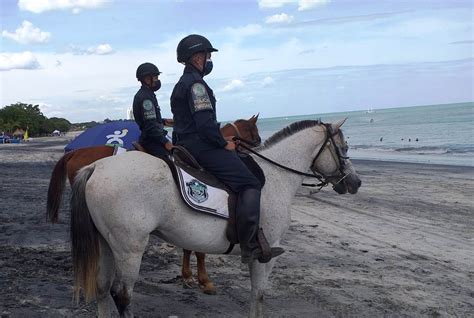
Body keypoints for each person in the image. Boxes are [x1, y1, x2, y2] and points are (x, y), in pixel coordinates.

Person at [170, 34, 284, 264]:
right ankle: (250, 244)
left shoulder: (182, 84)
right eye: (207, 55)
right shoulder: (197, 86)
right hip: (200, 146)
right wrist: (224, 143)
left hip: (185, 143)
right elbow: (204, 124)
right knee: (250, 181)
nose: (209, 59)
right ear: (196, 57)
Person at [133, 62, 173, 158]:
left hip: (152, 138)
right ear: (147, 79)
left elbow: (150, 120)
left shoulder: (148, 94)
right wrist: (165, 142)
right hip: (152, 142)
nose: (157, 81)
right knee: (169, 164)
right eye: (155, 78)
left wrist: (164, 121)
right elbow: (150, 126)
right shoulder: (145, 99)